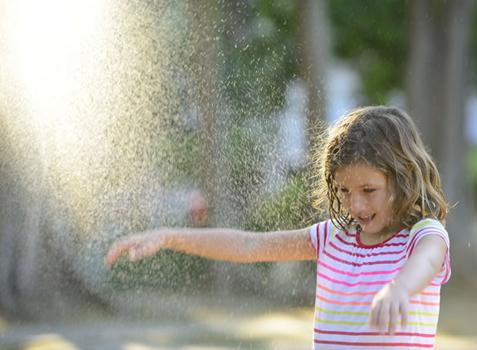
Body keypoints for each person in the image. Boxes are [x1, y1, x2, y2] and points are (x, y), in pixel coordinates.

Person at [105, 106, 450, 349]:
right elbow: (247, 246)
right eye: (344, 191)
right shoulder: (332, 237)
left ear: (402, 178)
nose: (355, 205)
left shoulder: (420, 235)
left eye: (368, 191)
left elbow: (429, 260)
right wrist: (169, 236)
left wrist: (400, 288)